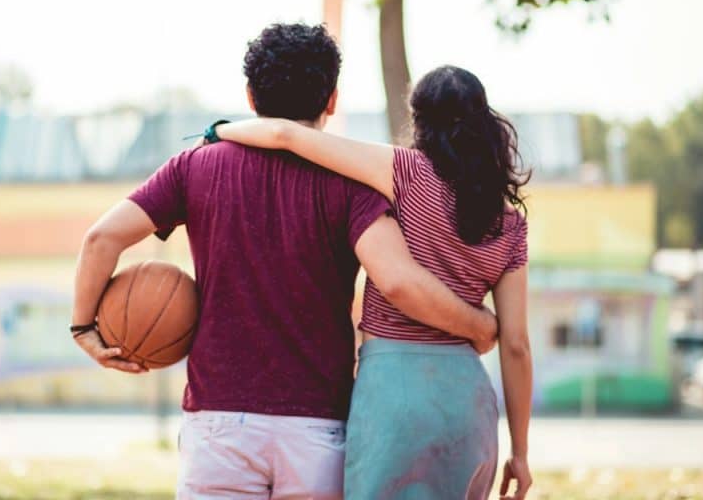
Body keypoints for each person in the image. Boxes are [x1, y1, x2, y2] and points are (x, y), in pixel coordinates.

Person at [72, 24, 497, 500]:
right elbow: (399, 282)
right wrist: (480, 324)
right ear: (332, 100)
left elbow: (101, 238)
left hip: (218, 423)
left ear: (250, 97)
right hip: (317, 426)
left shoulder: (194, 166)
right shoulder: (350, 183)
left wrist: (83, 329)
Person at [214, 64, 533, 500]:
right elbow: (515, 345)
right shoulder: (510, 224)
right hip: (469, 402)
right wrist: (521, 451)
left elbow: (288, 136)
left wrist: (220, 131)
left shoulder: (404, 171)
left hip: (393, 392)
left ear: (417, 119)